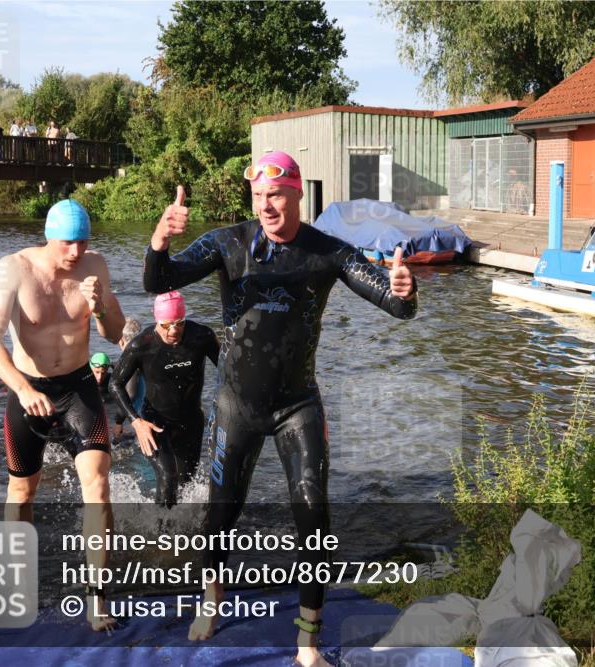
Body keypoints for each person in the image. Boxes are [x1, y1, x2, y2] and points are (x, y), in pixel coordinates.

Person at [144, 151, 417, 665]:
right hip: (237, 405)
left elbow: (395, 304)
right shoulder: (228, 243)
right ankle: (212, 598)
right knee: (220, 511)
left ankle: (307, 642)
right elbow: (158, 282)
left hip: (297, 405)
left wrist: (406, 287)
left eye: (275, 195)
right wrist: (160, 241)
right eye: (258, 197)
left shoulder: (327, 252)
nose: (266, 206)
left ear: (295, 194)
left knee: (314, 514)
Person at [0, 198, 125, 631]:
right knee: (22, 492)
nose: (77, 252)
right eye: (68, 243)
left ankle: (98, 597)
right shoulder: (15, 269)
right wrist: (21, 389)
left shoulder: (95, 265)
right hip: (29, 388)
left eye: (83, 242)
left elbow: (115, 334)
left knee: (98, 486)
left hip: (79, 386)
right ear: (49, 236)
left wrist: (100, 307)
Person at [110, 291, 219, 508]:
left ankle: (183, 531)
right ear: (157, 321)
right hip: (154, 422)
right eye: (166, 324)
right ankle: (160, 534)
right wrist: (135, 421)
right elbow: (115, 384)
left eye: (179, 323)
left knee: (187, 482)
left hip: (191, 421)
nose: (173, 331)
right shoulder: (141, 345)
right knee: (168, 476)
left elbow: (228, 372)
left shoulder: (202, 337)